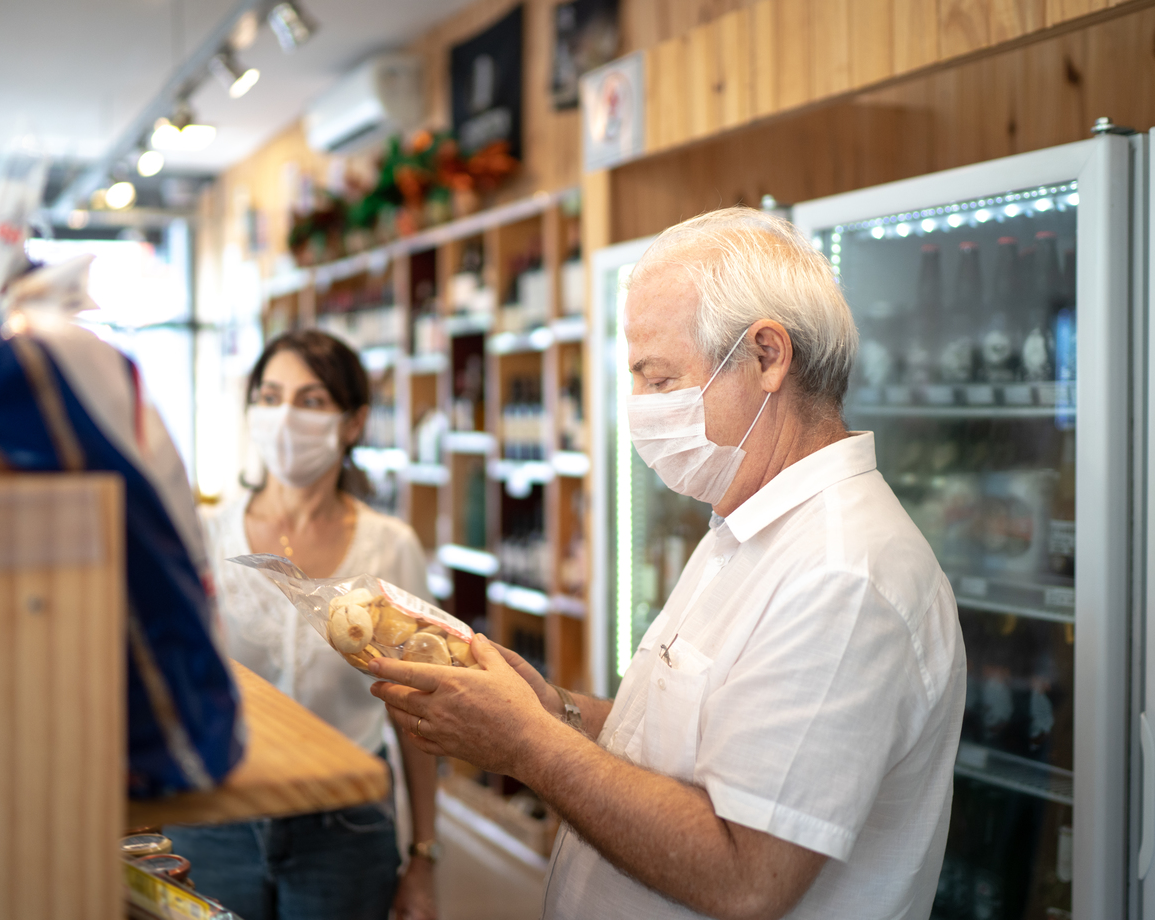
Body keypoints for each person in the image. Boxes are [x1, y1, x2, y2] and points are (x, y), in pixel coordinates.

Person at [370, 208, 966, 920]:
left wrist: (526, 745)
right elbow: (679, 748)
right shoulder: (745, 522)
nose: (640, 409)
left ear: (766, 357)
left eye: (658, 380)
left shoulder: (842, 575)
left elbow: (745, 876)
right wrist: (552, 711)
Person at [168, 330, 438, 920]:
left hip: (345, 830)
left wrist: (424, 855)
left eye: (310, 400)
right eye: (270, 397)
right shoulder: (202, 537)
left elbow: (417, 711)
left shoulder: (390, 547)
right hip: (215, 817)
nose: (284, 416)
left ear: (353, 422)